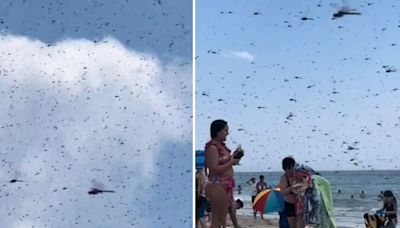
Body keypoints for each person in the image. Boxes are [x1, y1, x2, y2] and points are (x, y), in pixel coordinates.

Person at [204, 119, 242, 228]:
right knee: (217, 220)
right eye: (226, 130)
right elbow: (214, 169)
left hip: (226, 185)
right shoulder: (212, 148)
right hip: (218, 185)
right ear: (218, 131)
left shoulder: (221, 147)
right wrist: (230, 162)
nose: (227, 133)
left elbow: (224, 163)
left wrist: (233, 159)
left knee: (221, 219)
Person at [279, 157, 305, 228]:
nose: (287, 171)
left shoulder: (298, 175)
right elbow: (282, 193)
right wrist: (292, 187)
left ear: (294, 166)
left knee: (301, 224)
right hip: (289, 205)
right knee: (292, 225)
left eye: (289, 168)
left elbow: (305, 186)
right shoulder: (284, 177)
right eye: (285, 169)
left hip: (299, 204)